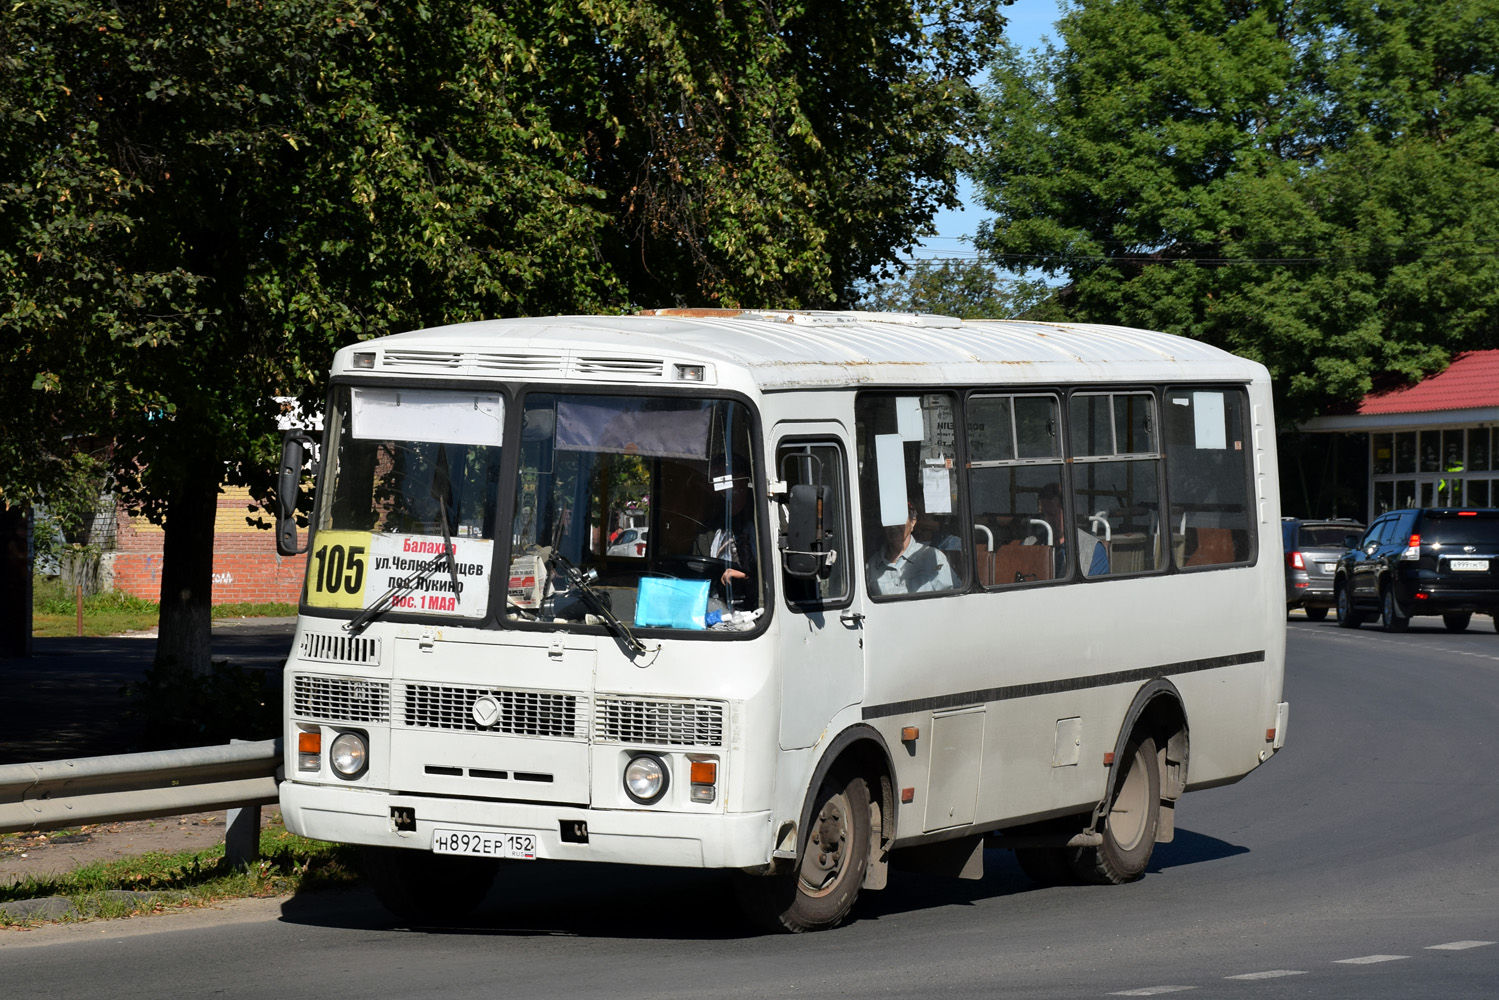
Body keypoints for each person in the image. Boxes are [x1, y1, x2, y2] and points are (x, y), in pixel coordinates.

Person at [866, 500, 955, 596]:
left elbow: (952, 600)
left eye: (899, 518)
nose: (894, 526)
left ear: (912, 522)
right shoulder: (872, 566)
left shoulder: (933, 558)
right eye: (889, 519)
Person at [1035, 482, 1109, 578]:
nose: (1046, 520)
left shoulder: (1093, 550)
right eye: (1042, 515)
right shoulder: (1030, 545)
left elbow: (1096, 590)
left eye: (1052, 514)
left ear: (1067, 512)